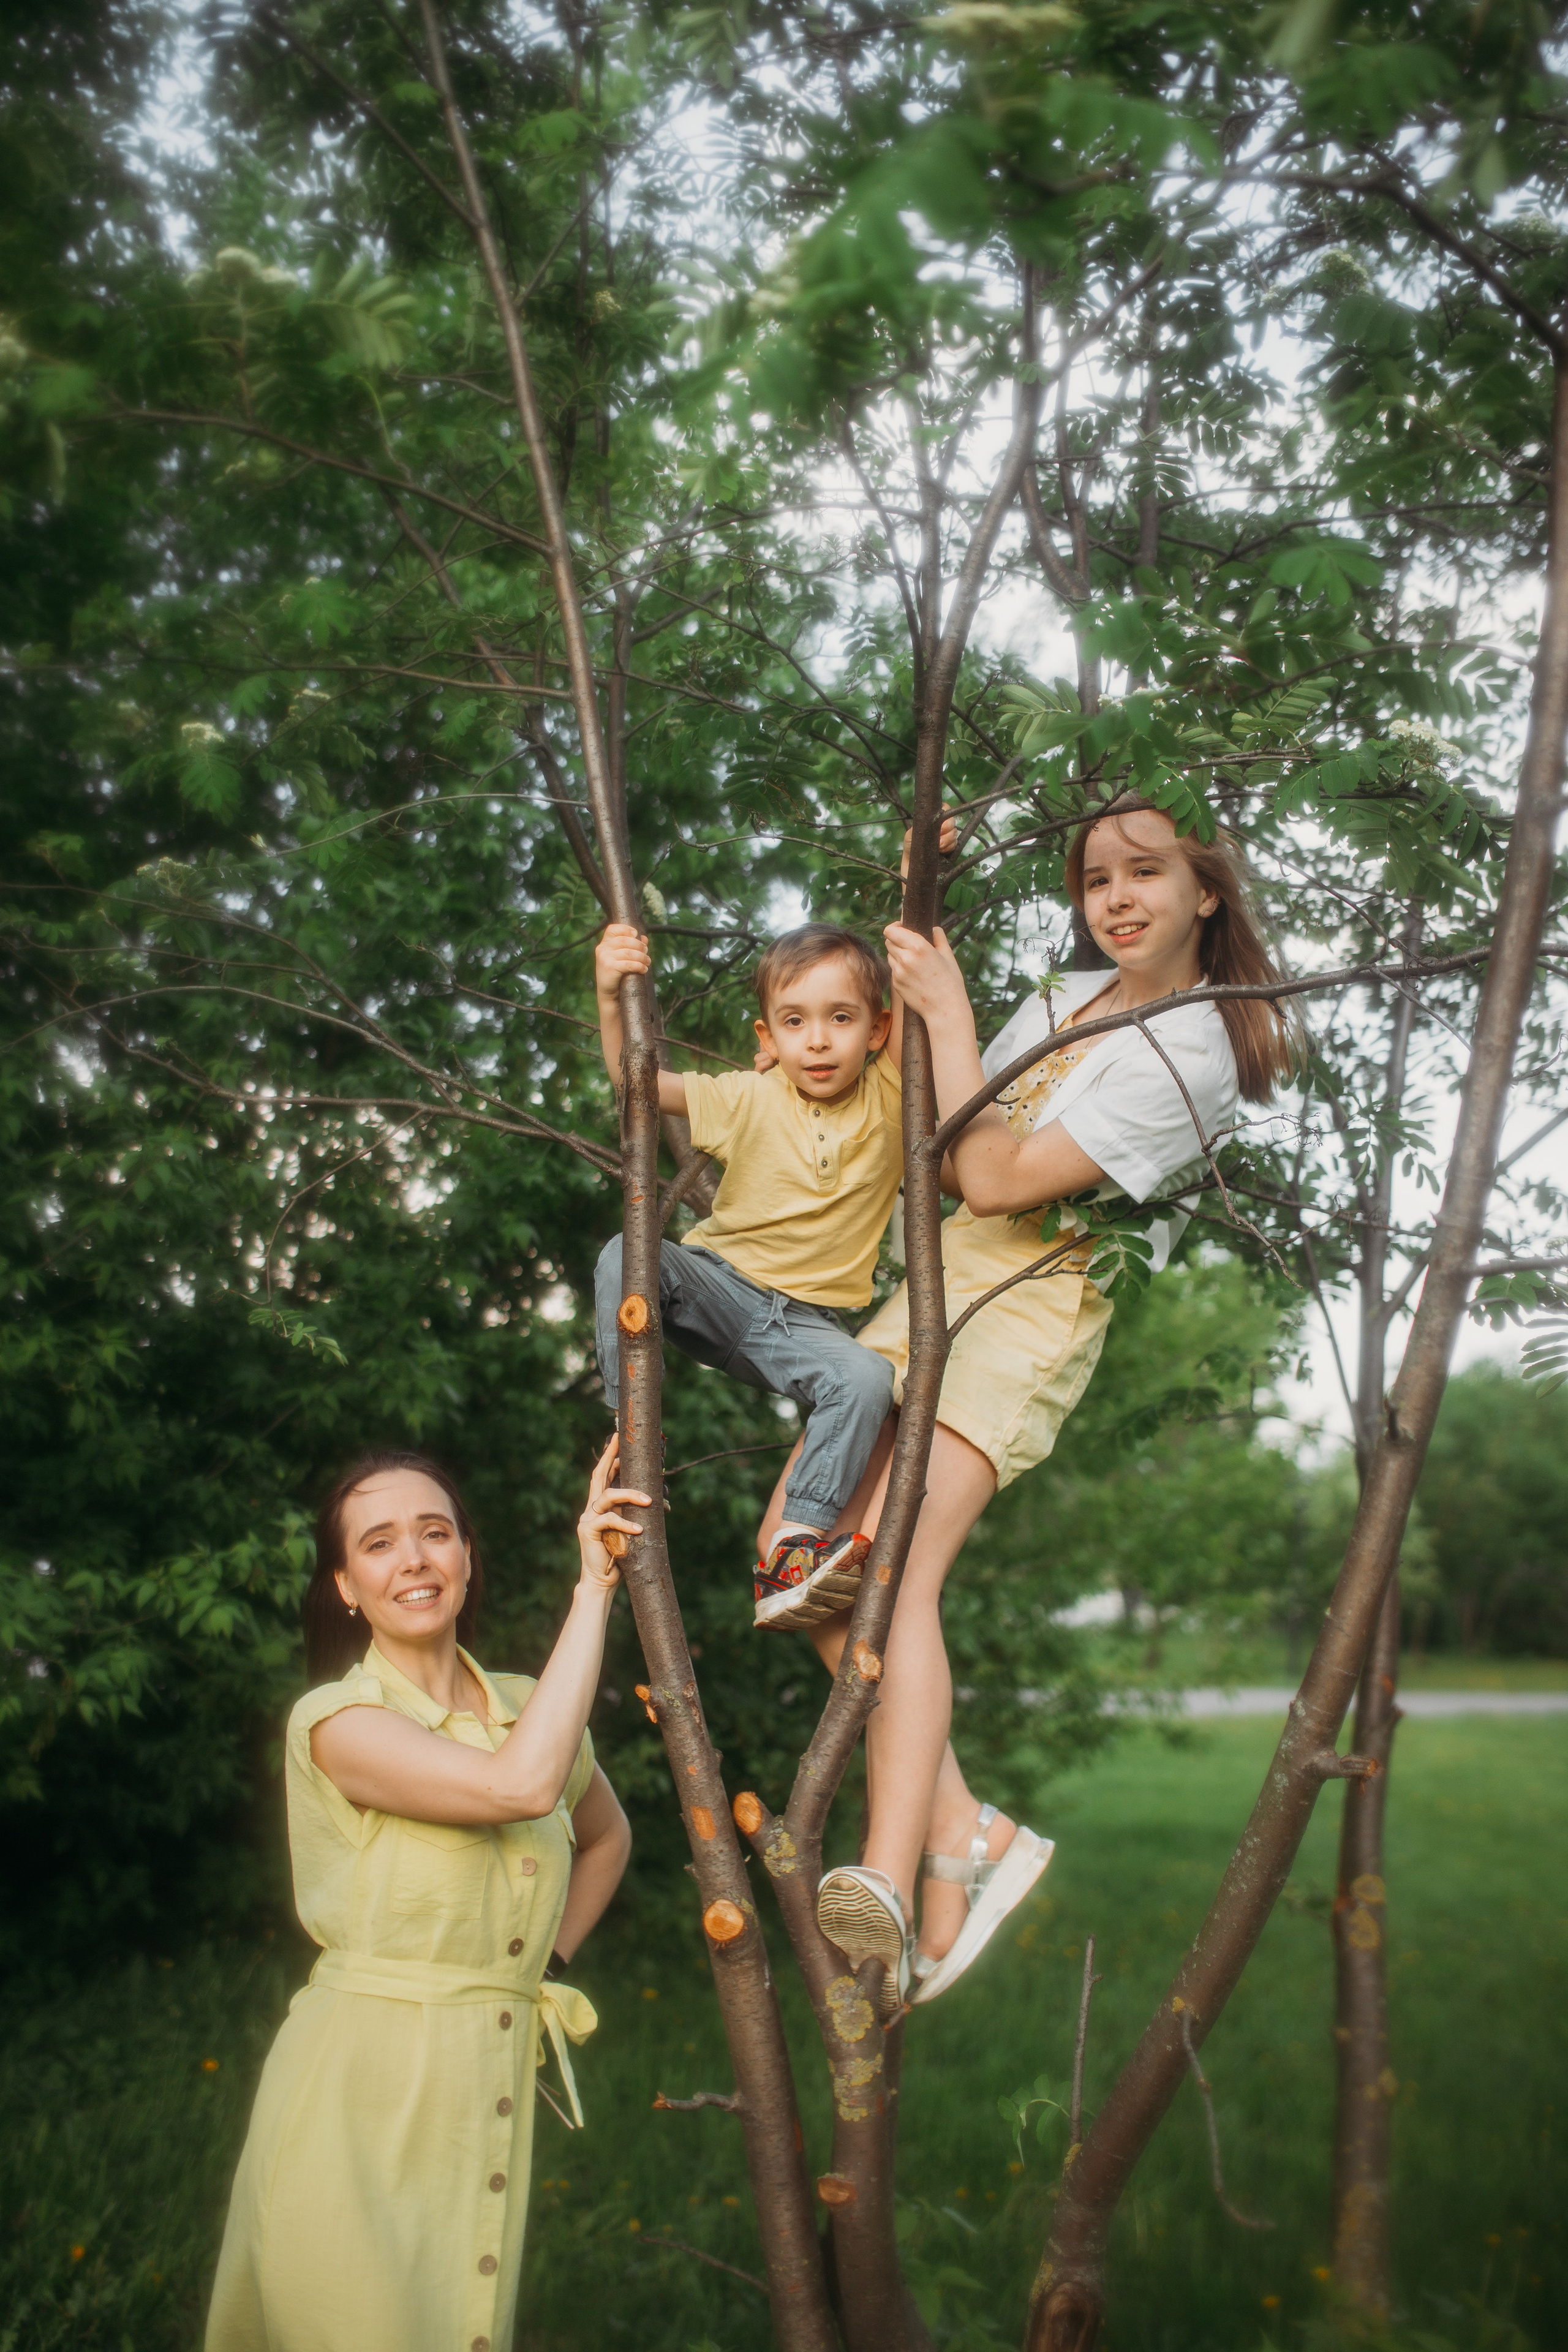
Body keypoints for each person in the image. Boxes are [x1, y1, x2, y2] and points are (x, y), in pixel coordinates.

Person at [756, 796, 1295, 2017]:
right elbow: (943, 1134)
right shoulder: (1060, 1004)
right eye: (1094, 876)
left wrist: (948, 1015)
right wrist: (912, 894)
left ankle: (891, 1876)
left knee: (888, 1569)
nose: (1114, 896)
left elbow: (996, 1173)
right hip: (936, 1290)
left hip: (1030, 1307)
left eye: (1144, 872)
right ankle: (964, 1836)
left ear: (1204, 890)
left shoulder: (1198, 1046)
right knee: (796, 1558)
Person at [206, 1440, 639, 2352]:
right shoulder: (337, 1722)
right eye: (378, 1544)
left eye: (435, 1534)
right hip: (358, 2089)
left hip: (483, 2078)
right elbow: (517, 1790)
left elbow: (606, 1838)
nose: (413, 1559)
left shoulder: (530, 1706)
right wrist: (594, 1590)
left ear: (468, 1560)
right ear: (345, 1587)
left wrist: (537, 1966)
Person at [594, 918, 909, 1627]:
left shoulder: (892, 1094)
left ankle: (794, 1545)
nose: (819, 1040)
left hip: (798, 1328)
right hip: (716, 1287)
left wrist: (923, 868)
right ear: (767, 1039)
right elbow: (634, 1080)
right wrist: (609, 995)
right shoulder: (748, 1096)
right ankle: (629, 1432)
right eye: (795, 1022)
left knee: (864, 1380)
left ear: (879, 1030)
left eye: (841, 1018)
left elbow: (921, 974)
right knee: (627, 1252)